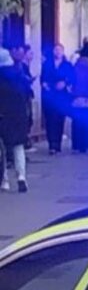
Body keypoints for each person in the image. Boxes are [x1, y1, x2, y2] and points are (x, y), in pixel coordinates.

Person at [0, 49, 31, 192]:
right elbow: (27, 94)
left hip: (2, 116)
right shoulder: (19, 75)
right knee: (18, 147)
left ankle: (4, 180)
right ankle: (21, 177)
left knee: (3, 149)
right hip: (18, 116)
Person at [41, 44, 74, 154]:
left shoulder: (67, 65)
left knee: (60, 119)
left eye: (60, 50)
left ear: (63, 52)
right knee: (50, 120)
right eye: (56, 50)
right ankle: (52, 144)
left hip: (62, 96)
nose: (58, 52)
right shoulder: (47, 64)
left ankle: (57, 144)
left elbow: (72, 78)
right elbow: (43, 78)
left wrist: (65, 83)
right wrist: (45, 85)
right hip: (50, 96)